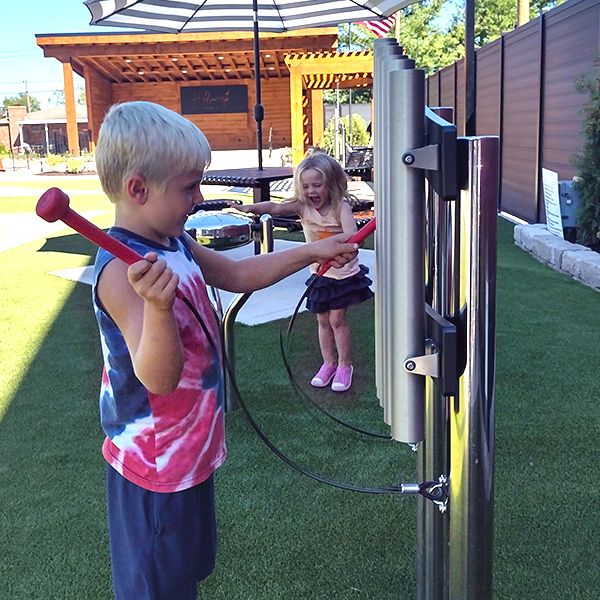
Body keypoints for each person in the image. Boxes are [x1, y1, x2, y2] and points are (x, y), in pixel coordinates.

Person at [91, 101, 359, 600]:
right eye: (189, 187)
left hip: (190, 454)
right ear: (137, 189)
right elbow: (158, 377)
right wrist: (155, 308)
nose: (197, 198)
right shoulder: (119, 272)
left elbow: (236, 275)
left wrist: (311, 251)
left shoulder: (175, 240)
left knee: (185, 577)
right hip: (155, 470)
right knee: (157, 587)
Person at [236, 151, 374, 393]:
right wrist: (251, 207)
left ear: (331, 183)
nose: (311, 191)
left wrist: (327, 245)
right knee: (321, 320)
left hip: (342, 274)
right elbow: (275, 208)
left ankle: (344, 365)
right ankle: (328, 363)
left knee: (336, 319)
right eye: (306, 186)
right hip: (321, 273)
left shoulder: (340, 206)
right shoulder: (303, 207)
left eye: (317, 185)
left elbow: (353, 236)